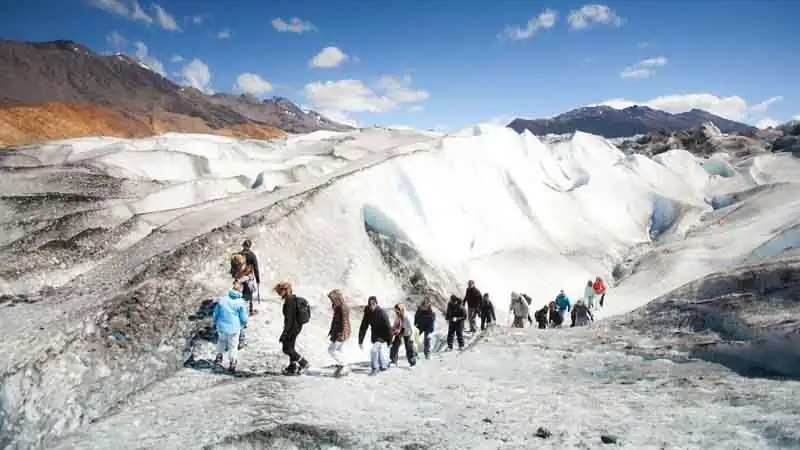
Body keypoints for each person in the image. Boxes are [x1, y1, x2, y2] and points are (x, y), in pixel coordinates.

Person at [212, 279, 249, 374]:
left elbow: (216, 314)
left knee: (221, 341)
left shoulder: (222, 300)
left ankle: (219, 357)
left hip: (221, 326)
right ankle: (232, 362)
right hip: (234, 328)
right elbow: (244, 317)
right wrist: (244, 323)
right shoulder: (240, 302)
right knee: (233, 346)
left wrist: (214, 322)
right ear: (240, 290)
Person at [275, 281, 309, 375]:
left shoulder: (289, 302)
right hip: (297, 326)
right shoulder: (293, 299)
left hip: (292, 328)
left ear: (284, 290)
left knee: (287, 349)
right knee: (291, 348)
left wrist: (284, 333)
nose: (278, 293)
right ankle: (292, 367)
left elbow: (289, 320)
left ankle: (303, 362)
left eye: (279, 291)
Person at [358, 296, 393, 375]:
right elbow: (363, 327)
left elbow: (388, 327)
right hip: (375, 335)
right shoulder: (367, 312)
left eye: (373, 304)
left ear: (376, 304)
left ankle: (375, 368)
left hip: (384, 334)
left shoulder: (382, 313)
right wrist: (360, 341)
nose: (371, 306)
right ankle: (384, 365)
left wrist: (390, 341)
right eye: (370, 304)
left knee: (374, 350)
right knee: (379, 351)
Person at [327, 289, 351, 377]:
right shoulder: (338, 307)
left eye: (332, 299)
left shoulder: (342, 307)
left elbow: (345, 321)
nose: (331, 301)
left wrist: (343, 333)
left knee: (331, 350)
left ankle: (343, 365)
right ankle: (345, 366)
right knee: (340, 350)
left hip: (341, 332)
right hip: (340, 332)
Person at [389, 303, 417, 367]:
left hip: (408, 332)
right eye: (395, 311)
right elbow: (395, 323)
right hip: (400, 331)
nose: (396, 312)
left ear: (401, 309)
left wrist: (411, 338)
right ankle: (393, 361)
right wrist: (393, 329)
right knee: (395, 345)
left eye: (397, 310)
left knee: (409, 347)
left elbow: (412, 328)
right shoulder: (398, 316)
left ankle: (412, 362)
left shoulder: (407, 316)